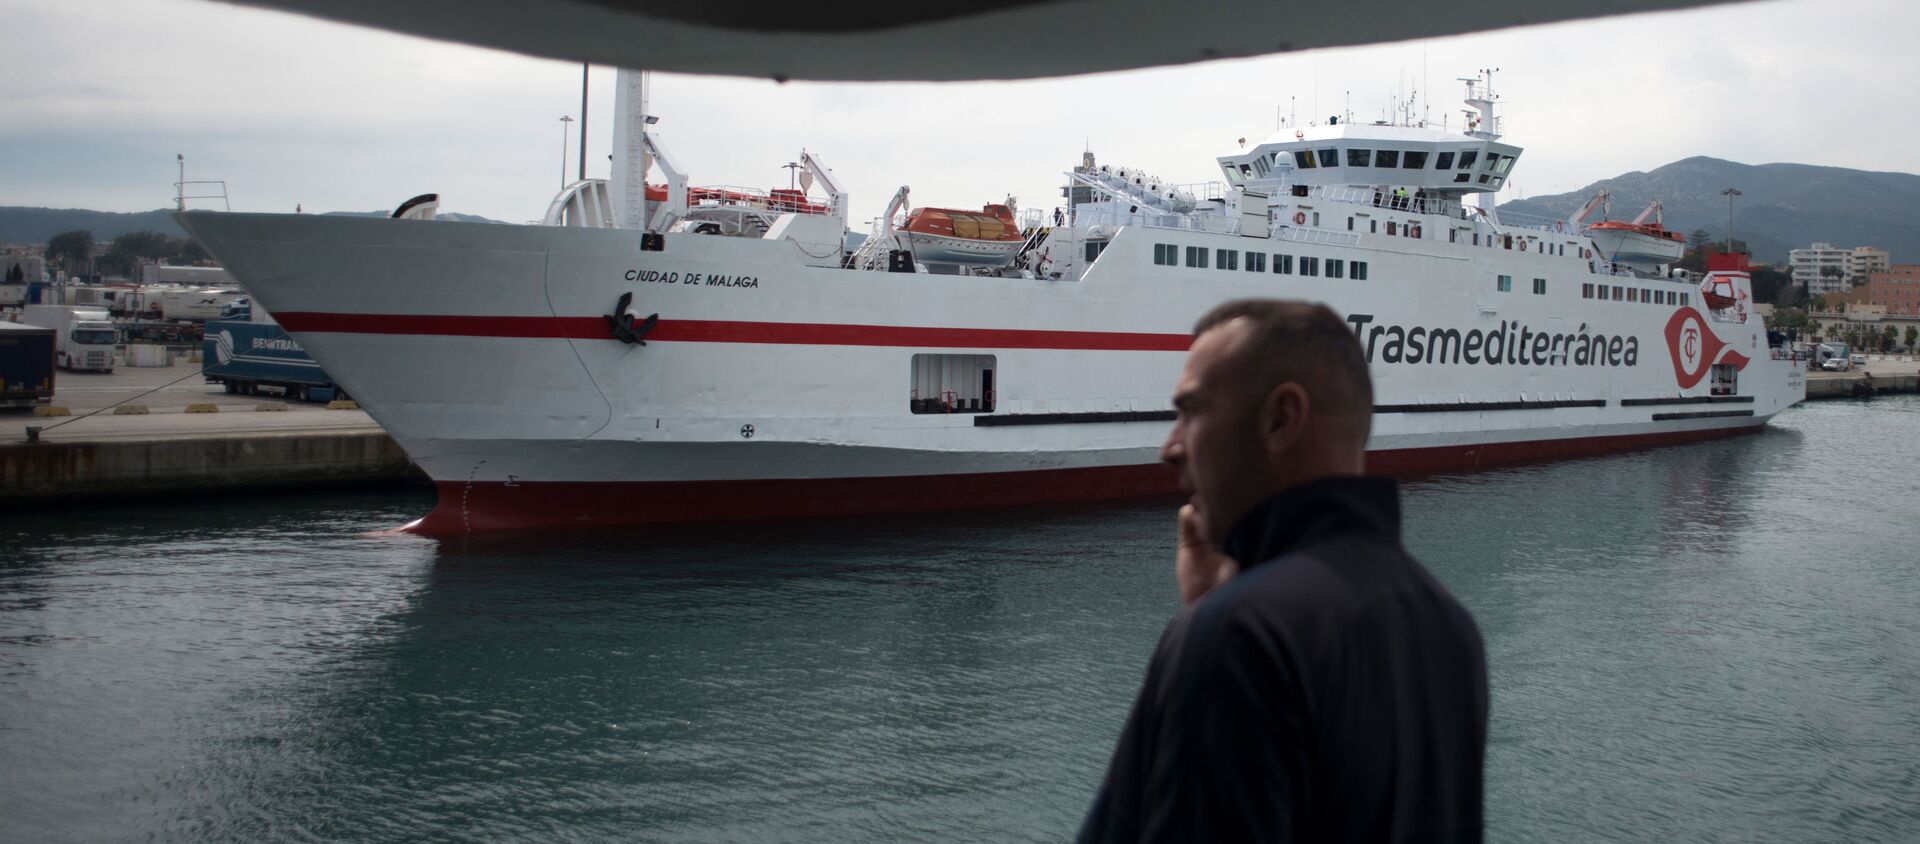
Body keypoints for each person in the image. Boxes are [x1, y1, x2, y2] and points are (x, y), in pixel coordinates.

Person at [1079, 299, 1487, 843]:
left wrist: (1207, 622)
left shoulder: (1241, 636)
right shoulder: (1451, 629)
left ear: (1280, 419)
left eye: (1192, 411)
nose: (1169, 447)